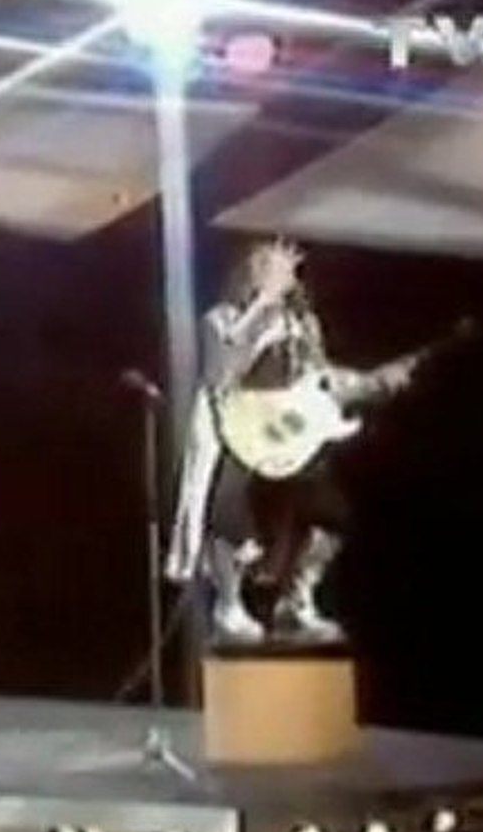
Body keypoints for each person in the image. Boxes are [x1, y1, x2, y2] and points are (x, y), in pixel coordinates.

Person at [165, 239, 408, 644]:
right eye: (270, 267)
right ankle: (229, 605)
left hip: (291, 433)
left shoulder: (302, 323)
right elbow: (221, 374)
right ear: (250, 273)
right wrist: (261, 308)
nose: (283, 277)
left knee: (332, 514)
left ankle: (296, 601)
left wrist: (367, 381)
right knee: (228, 517)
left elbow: (318, 376)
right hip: (239, 431)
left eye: (287, 271)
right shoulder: (221, 318)